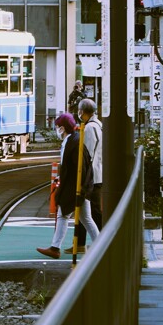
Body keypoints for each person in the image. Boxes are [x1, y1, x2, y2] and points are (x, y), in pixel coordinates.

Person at [37, 112, 99, 259]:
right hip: (78, 185)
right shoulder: (73, 140)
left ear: (63, 128)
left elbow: (79, 169)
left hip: (75, 186)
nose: (56, 129)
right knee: (86, 218)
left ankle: (55, 248)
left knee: (63, 214)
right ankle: (101, 245)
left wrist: (80, 189)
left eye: (57, 126)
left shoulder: (74, 142)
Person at [70, 98, 104, 254]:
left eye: (79, 111)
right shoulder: (98, 125)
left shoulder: (90, 128)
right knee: (85, 211)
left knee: (93, 211)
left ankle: (100, 242)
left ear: (82, 112)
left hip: (92, 176)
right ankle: (80, 243)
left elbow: (87, 154)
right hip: (96, 173)